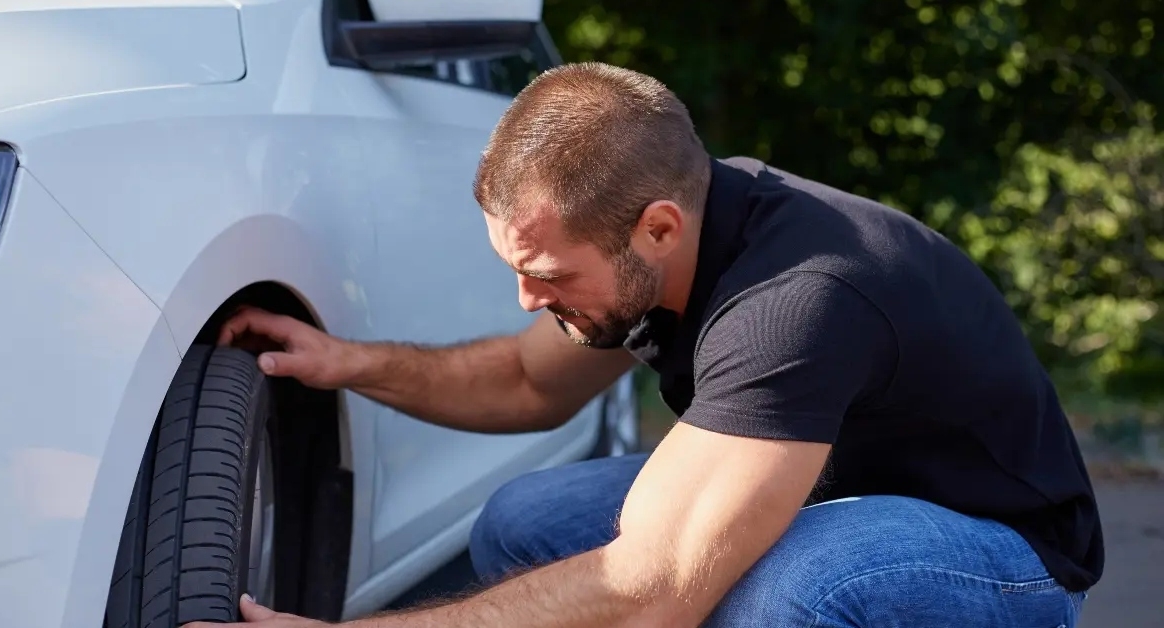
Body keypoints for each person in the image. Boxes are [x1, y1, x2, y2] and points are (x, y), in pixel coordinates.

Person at [186, 62, 1102, 628]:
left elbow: (652, 588)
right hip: (834, 488)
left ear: (657, 229)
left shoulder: (799, 299)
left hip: (1001, 556)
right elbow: (519, 381)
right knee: (525, 523)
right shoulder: (671, 248)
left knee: (790, 593)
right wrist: (346, 361)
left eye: (547, 271)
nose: (525, 295)